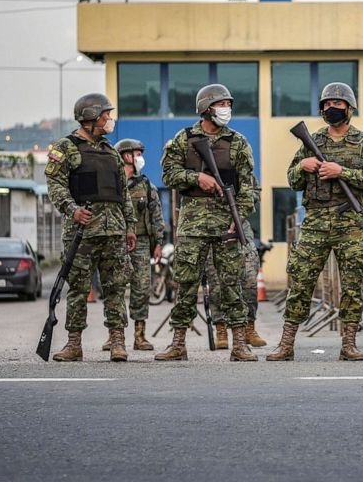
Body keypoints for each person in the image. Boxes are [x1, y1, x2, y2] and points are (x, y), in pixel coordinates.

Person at [267, 82, 363, 361]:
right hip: (316, 220)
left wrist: (341, 171)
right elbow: (293, 181)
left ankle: (349, 344)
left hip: (350, 221)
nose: (332, 108)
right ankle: (286, 344)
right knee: (301, 281)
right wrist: (301, 167)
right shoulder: (312, 141)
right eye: (327, 105)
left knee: (352, 284)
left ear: (349, 108)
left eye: (337, 104)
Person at [156, 84, 257, 362]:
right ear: (206, 108)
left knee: (231, 284)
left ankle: (239, 344)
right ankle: (178, 343)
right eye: (221, 104)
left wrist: (241, 218)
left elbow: (250, 187)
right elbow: (168, 174)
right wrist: (196, 178)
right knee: (186, 283)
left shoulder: (237, 142)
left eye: (228, 104)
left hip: (227, 223)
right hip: (193, 225)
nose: (227, 109)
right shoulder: (183, 139)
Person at [47, 93, 137, 362]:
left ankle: (118, 342)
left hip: (114, 231)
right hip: (82, 232)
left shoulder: (111, 152)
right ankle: (74, 344)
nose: (109, 120)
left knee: (116, 288)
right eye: (105, 115)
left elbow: (124, 193)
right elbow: (55, 184)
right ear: (91, 118)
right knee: (78, 288)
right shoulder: (66, 148)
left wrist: (130, 226)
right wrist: (72, 209)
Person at [110, 138, 165, 352]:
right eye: (137, 154)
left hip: (141, 244)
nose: (140, 158)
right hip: (116, 243)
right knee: (114, 287)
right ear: (126, 156)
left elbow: (156, 215)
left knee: (141, 288)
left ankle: (139, 335)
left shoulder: (147, 186)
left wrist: (158, 243)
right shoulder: (113, 185)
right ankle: (114, 335)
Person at [206, 174, 268, 348]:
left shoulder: (238, 162)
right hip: (212, 226)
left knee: (249, 281)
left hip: (240, 225)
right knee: (216, 284)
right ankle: (221, 329)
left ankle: (249, 327)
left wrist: (240, 209)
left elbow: (255, 191)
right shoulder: (203, 166)